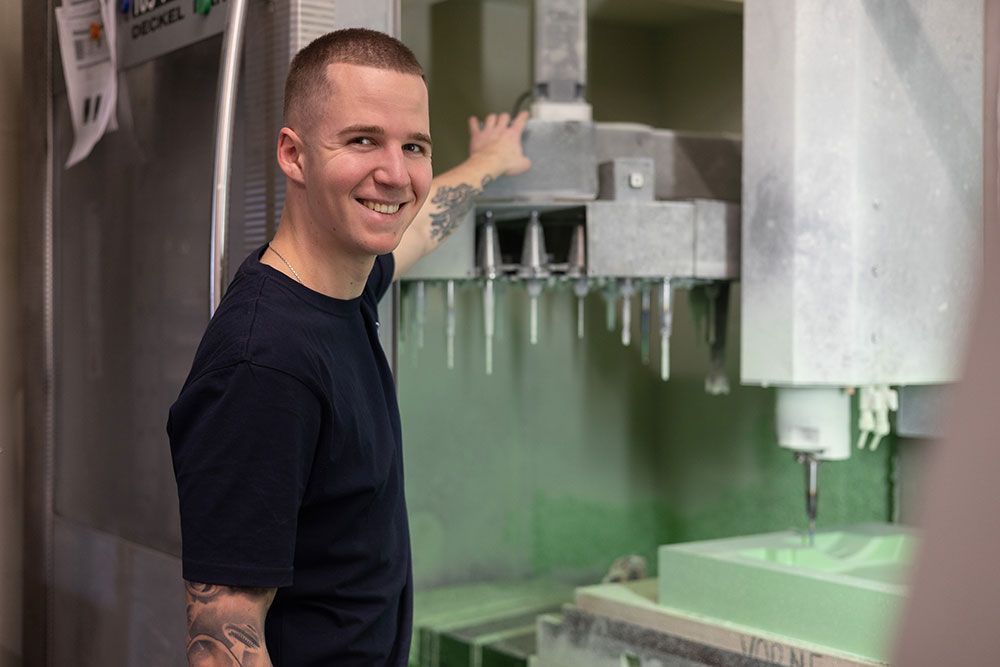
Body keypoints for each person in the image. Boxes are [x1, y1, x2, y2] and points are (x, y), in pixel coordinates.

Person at [167, 28, 530, 666]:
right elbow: (224, 643)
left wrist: (490, 162)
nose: (395, 173)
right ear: (293, 154)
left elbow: (420, 222)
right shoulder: (265, 365)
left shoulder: (342, 288)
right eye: (362, 140)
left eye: (413, 145)